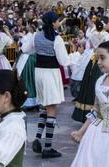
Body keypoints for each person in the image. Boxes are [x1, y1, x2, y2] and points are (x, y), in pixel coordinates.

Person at [31, 11, 71, 159]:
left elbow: (27, 49)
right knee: (52, 108)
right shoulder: (57, 38)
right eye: (56, 21)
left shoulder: (36, 35)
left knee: (45, 106)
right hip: (50, 73)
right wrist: (75, 58)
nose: (58, 22)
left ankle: (37, 138)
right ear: (53, 23)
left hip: (39, 72)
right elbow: (63, 61)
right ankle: (47, 147)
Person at [72, 20, 109, 123]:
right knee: (100, 82)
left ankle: (87, 111)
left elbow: (87, 43)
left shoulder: (92, 34)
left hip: (93, 59)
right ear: (102, 27)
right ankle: (98, 111)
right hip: (102, 59)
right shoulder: (106, 35)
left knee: (89, 82)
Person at [14, 21, 40, 110]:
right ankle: (34, 101)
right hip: (32, 59)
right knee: (32, 80)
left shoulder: (29, 36)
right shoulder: (35, 35)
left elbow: (24, 49)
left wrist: (21, 42)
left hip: (27, 60)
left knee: (27, 80)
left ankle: (28, 102)